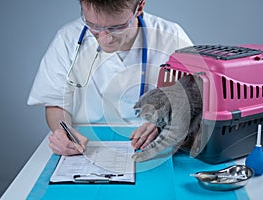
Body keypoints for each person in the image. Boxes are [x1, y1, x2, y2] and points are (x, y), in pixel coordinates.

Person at [27, 0, 193, 156]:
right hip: (84, 148)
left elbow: (195, 102)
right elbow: (56, 103)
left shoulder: (171, 37)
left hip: (156, 147)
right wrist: (63, 132)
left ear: (140, 6)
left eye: (117, 27)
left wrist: (165, 122)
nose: (105, 38)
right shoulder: (67, 39)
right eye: (93, 25)